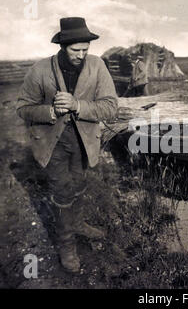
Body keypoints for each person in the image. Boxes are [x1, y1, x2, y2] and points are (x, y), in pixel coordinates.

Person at [17, 17, 118, 273]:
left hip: (84, 141)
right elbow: (23, 108)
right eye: (76, 50)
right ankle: (66, 245)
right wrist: (51, 111)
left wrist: (78, 106)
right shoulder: (40, 70)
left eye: (86, 49)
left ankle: (79, 223)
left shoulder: (97, 66)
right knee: (62, 193)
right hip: (54, 142)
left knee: (79, 184)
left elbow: (110, 107)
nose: (82, 55)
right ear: (63, 46)